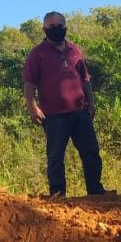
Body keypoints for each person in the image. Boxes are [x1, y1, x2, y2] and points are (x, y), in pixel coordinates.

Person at [22, 11, 107, 197]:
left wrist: (91, 102)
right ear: (44, 29)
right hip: (53, 115)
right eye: (51, 26)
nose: (56, 29)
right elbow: (29, 83)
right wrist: (32, 106)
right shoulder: (37, 54)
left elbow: (85, 79)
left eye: (59, 26)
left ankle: (95, 191)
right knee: (55, 156)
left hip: (80, 112)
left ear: (65, 27)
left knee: (91, 152)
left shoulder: (74, 50)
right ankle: (58, 194)